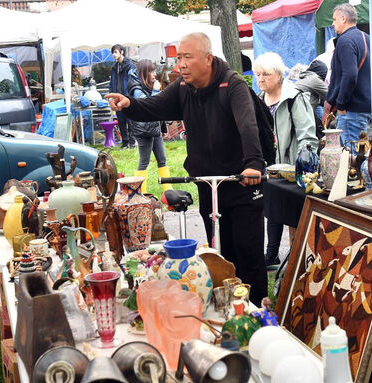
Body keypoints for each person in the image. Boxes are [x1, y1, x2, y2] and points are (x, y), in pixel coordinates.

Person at [106, 32, 268, 305]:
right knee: (221, 256)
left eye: (187, 57)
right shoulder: (183, 88)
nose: (180, 63)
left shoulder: (233, 84)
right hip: (208, 184)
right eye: (178, 56)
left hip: (241, 183)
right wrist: (130, 104)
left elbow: (248, 126)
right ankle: (226, 309)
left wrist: (253, 164)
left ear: (207, 58)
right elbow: (155, 106)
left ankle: (259, 314)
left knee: (248, 255)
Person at [254, 52, 319, 268]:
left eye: (266, 74)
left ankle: (299, 258)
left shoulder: (295, 98)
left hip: (291, 167)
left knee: (293, 213)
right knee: (271, 205)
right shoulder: (259, 100)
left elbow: (307, 136)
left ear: (279, 75)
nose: (260, 79)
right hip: (269, 165)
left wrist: (301, 165)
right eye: (257, 75)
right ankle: (271, 255)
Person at [323, 3, 372, 150]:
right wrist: (366, 91)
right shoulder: (368, 38)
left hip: (351, 110)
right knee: (359, 155)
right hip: (366, 108)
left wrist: (341, 104)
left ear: (343, 19)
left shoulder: (345, 40)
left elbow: (350, 75)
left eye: (334, 19)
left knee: (351, 160)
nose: (333, 24)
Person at [126, 59, 172, 193]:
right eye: (151, 71)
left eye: (154, 71)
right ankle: (140, 193)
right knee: (144, 161)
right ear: (144, 73)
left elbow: (159, 109)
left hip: (154, 128)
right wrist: (156, 91)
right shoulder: (136, 88)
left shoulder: (148, 85)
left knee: (162, 160)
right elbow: (146, 105)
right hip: (143, 130)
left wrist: (163, 128)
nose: (154, 74)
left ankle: (168, 190)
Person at [109, 44, 137, 149]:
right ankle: (125, 143)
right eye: (113, 52)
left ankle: (132, 143)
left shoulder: (130, 66)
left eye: (115, 52)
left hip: (128, 97)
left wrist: (131, 95)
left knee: (130, 120)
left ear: (122, 52)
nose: (113, 54)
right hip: (117, 98)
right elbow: (112, 83)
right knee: (121, 121)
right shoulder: (114, 67)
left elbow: (133, 81)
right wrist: (111, 96)